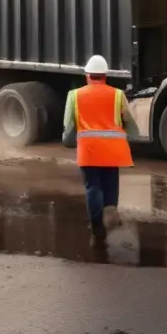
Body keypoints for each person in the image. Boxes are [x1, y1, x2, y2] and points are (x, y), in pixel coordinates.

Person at [62, 55, 139, 243]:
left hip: (89, 150)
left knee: (93, 186)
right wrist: (131, 139)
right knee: (110, 182)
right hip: (113, 150)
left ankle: (97, 226)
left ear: (87, 75)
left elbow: (68, 125)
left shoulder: (75, 95)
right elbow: (130, 123)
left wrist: (68, 140)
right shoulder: (118, 95)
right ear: (105, 75)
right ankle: (110, 208)